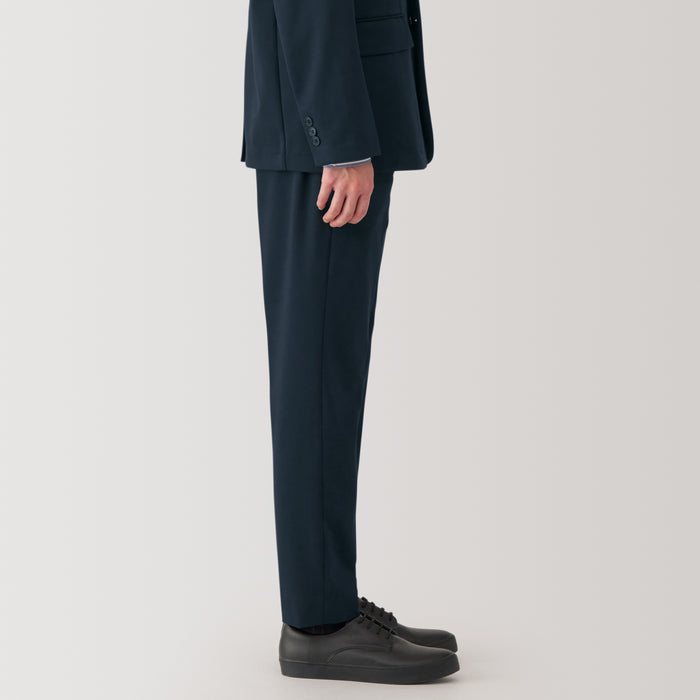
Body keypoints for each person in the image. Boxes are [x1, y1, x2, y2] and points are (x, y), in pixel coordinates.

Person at [241, 0, 459, 684]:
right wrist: (338, 140)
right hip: (327, 141)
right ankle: (319, 624)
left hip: (339, 121)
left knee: (326, 378)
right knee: (317, 382)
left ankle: (327, 598)